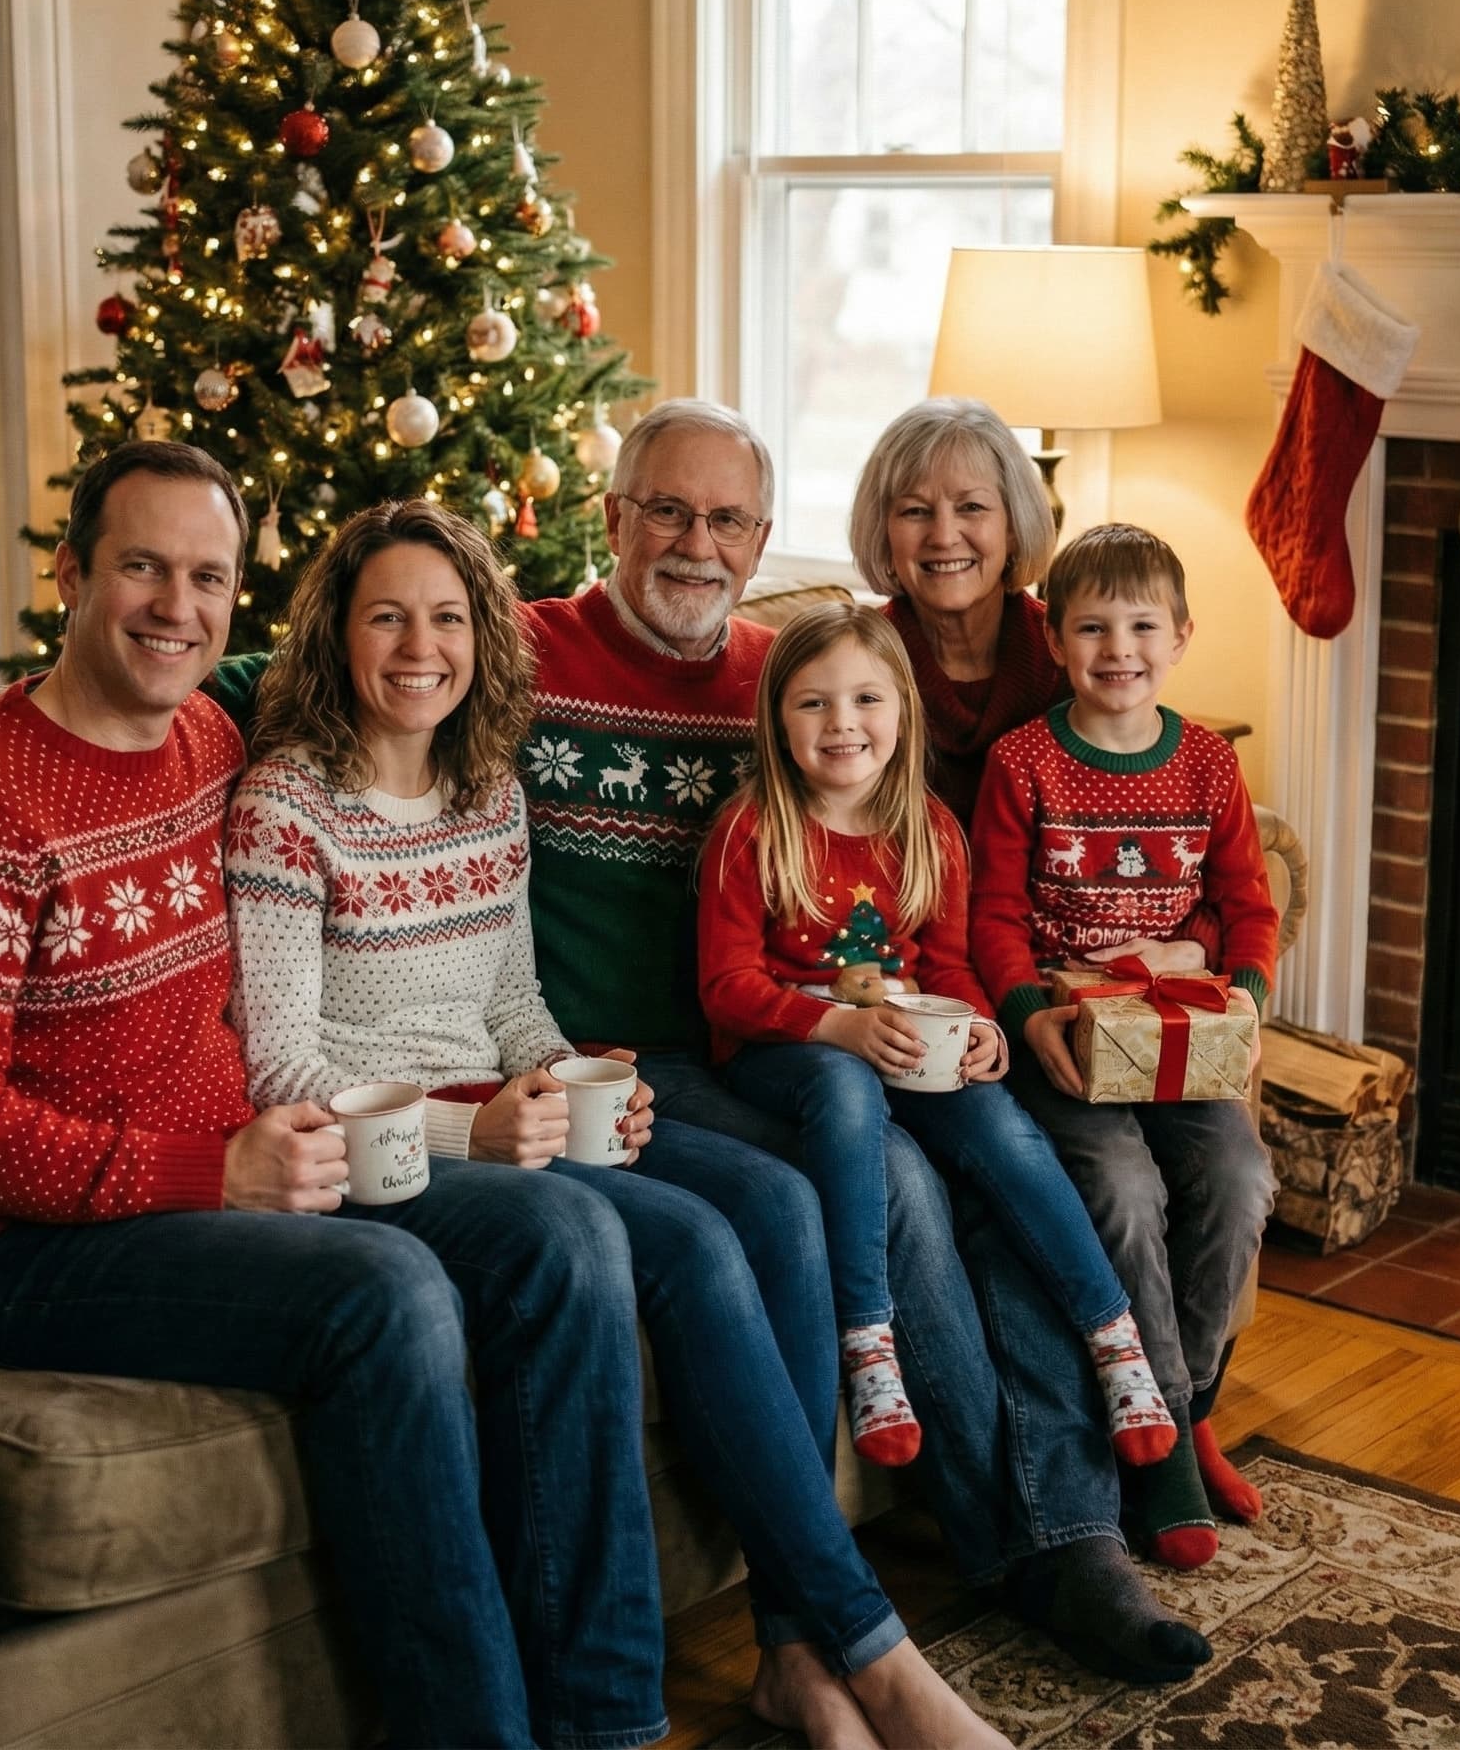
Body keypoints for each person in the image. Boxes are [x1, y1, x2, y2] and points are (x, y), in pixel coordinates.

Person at [0, 441, 657, 1750]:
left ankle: (605, 1723)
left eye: (207, 576)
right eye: (142, 569)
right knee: (383, 1296)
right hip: (31, 1249)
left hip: (251, 1174)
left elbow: (364, 739)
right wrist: (204, 1173)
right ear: (71, 574)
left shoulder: (214, 740)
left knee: (564, 1240)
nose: (177, 607)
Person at [225, 495, 1009, 1750]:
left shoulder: (486, 786)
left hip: (514, 1112)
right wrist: (467, 1131)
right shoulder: (286, 804)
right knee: (691, 1245)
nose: (418, 646)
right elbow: (286, 1068)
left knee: (769, 1202)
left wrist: (577, 1070)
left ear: (485, 635)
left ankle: (798, 1650)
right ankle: (866, 1645)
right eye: (386, 616)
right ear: (336, 635)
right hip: (384, 1144)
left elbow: (508, 993)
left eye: (445, 617)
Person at [518, 398, 1211, 1688]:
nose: (693, 541)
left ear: (761, 537)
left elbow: (973, 865)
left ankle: (1086, 1499)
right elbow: (321, 664)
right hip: (659, 1054)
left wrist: (989, 1014)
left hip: (841, 1037)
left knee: (991, 1159)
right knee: (890, 1178)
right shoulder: (521, 648)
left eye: (725, 518)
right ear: (611, 517)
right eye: (664, 508)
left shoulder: (781, 670)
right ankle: (1034, 1543)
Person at [697, 602, 1178, 1474]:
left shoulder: (929, 829)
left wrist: (985, 1028)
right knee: (844, 1088)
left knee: (999, 1123)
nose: (843, 724)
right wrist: (837, 1027)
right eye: (813, 704)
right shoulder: (752, 828)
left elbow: (950, 969)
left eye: (866, 700)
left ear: (902, 713)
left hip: (908, 1045)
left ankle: (1113, 1334)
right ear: (776, 720)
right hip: (786, 1055)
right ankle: (868, 1339)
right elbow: (727, 988)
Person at [970, 522, 1281, 1573]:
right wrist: (1022, 1009)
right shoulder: (1022, 764)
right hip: (1068, 1050)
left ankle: (1183, 1412)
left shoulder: (1204, 764)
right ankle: (1155, 1454)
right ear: (1053, 639)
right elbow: (993, 915)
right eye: (1091, 626)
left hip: (1180, 1042)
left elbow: (1245, 902)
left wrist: (1240, 994)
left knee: (1238, 1177)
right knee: (1124, 1190)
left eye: (1142, 625)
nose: (1118, 648)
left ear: (1181, 635)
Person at [848, 398, 1065, 827]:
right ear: (884, 532)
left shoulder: (1069, 655)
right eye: (915, 511)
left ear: (1014, 528)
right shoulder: (853, 663)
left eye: (971, 507)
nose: (944, 537)